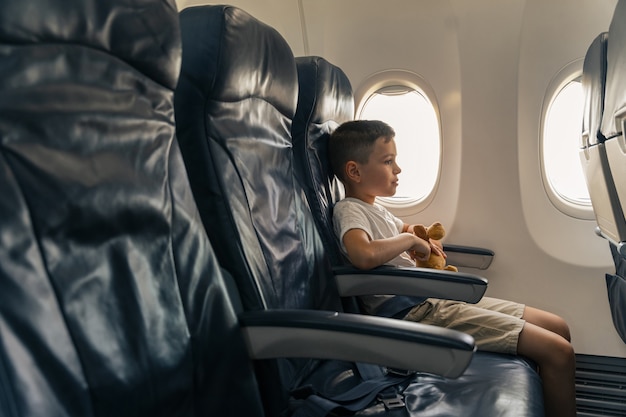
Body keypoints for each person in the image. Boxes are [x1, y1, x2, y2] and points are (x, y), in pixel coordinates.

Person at [328, 120, 576, 417]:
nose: (398, 169)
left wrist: (420, 236)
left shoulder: (376, 209)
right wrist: (408, 240)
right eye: (388, 161)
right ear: (354, 171)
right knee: (559, 353)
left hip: (432, 300)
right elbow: (363, 254)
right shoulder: (348, 210)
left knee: (558, 326)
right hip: (414, 313)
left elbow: (399, 230)